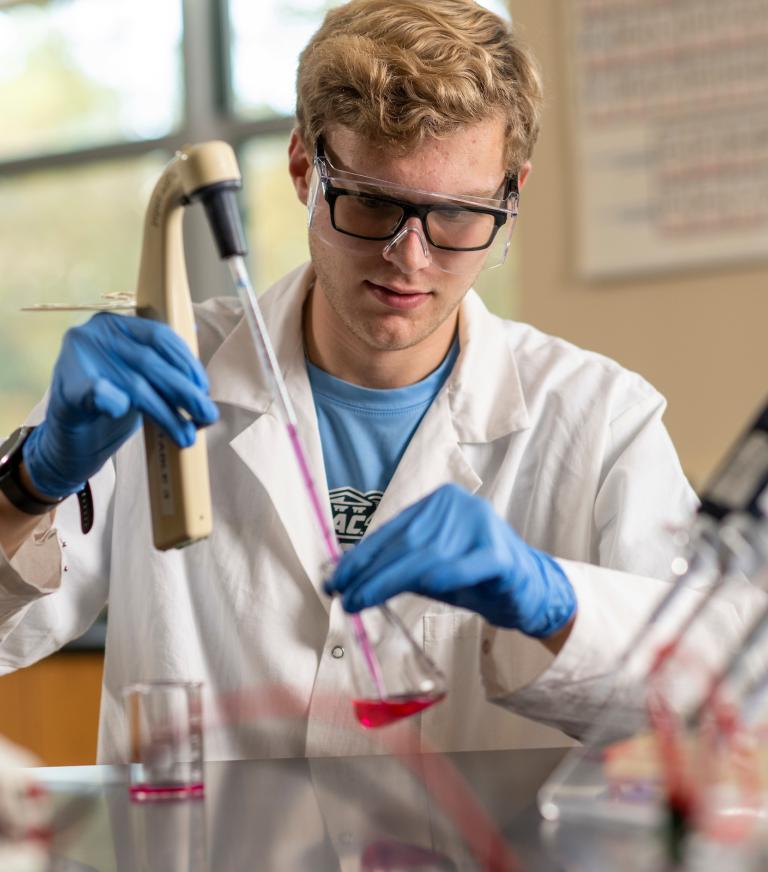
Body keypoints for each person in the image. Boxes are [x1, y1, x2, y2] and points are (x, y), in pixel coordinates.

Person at [0, 0, 732, 762]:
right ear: (300, 168)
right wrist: (31, 481)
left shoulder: (599, 420)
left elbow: (721, 697)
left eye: (457, 215)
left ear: (511, 193)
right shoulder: (160, 381)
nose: (409, 257)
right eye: (374, 203)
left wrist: (555, 603)